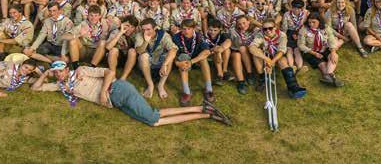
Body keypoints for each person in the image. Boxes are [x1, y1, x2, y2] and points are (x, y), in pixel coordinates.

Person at [31, 61, 232, 126]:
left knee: (153, 120)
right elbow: (36, 89)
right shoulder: (63, 86)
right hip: (115, 102)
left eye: (60, 70)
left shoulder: (82, 70)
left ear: (67, 69)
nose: (58, 74)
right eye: (55, 71)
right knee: (152, 118)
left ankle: (205, 112)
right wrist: (46, 74)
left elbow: (110, 72)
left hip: (117, 90)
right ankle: (203, 110)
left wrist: (102, 92)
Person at [249, 19, 307, 98]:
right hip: (265, 54)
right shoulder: (260, 34)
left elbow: (281, 51)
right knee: (256, 54)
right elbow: (252, 47)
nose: (267, 31)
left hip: (277, 54)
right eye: (265, 29)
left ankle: (293, 86)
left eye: (270, 28)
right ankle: (262, 78)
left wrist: (272, 62)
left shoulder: (282, 35)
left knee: (282, 61)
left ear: (275, 27)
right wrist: (267, 59)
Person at [172, 18, 215, 106]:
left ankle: (209, 88)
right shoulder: (176, 37)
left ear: (194, 28)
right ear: (181, 29)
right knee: (183, 59)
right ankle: (186, 92)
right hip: (183, 58)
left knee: (204, 58)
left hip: (196, 58)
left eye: (189, 28)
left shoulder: (199, 36)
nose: (186, 31)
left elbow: (207, 51)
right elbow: (172, 53)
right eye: (184, 29)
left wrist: (191, 62)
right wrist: (177, 63)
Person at [298, 12, 344, 87]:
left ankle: (328, 76)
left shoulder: (325, 28)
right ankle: (333, 78)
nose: (311, 24)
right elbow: (301, 45)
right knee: (322, 65)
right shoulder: (304, 29)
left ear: (319, 21)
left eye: (314, 22)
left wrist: (333, 52)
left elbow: (331, 40)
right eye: (309, 22)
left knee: (334, 57)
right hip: (310, 51)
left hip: (324, 48)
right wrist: (314, 53)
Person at [135, 18, 177, 99]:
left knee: (170, 56)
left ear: (155, 28)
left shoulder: (163, 35)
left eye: (148, 29)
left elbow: (173, 50)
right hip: (146, 65)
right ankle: (150, 85)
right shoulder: (139, 35)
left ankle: (161, 85)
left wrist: (164, 64)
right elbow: (139, 51)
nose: (145, 32)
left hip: (160, 64)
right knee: (143, 56)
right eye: (143, 29)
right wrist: (146, 41)